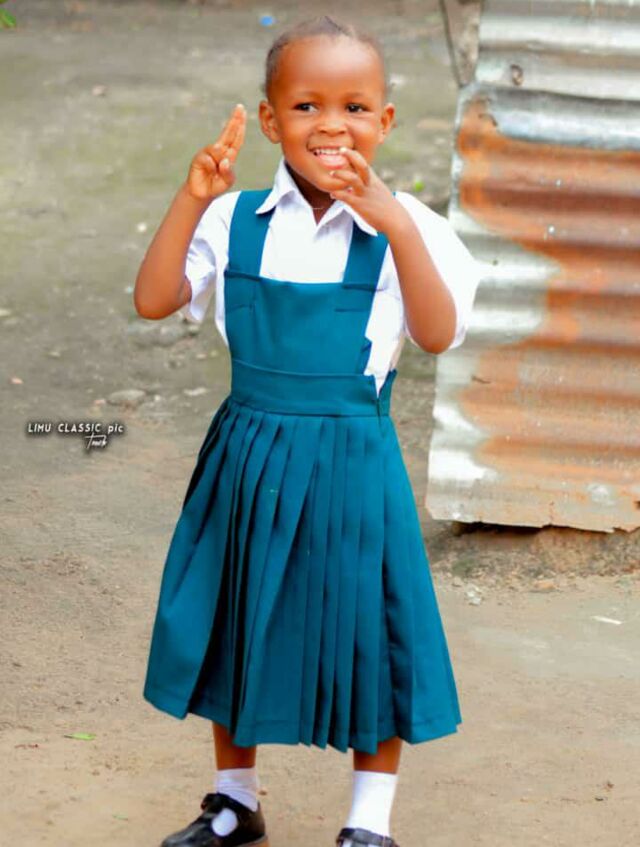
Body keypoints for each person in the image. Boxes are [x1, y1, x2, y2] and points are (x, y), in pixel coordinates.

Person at [134, 15, 480, 847]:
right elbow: (153, 300)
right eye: (306, 105)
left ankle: (368, 819)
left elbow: (436, 335)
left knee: (370, 627)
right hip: (249, 455)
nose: (332, 124)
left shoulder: (412, 227)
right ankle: (234, 800)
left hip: (354, 459)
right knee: (235, 613)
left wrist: (397, 227)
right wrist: (194, 195)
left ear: (384, 121)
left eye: (355, 107)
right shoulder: (236, 219)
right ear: (269, 119)